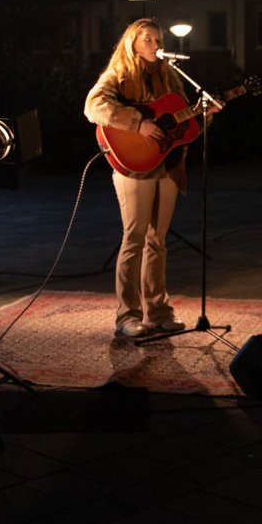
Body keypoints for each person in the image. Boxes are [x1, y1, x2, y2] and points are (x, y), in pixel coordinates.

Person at [84, 18, 191, 338]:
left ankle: (157, 311)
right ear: (132, 42)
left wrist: (204, 114)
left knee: (158, 241)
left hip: (169, 164)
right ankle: (127, 315)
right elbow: (94, 106)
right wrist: (137, 123)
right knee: (135, 238)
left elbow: (181, 120)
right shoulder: (118, 74)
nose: (155, 44)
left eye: (158, 39)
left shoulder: (171, 75)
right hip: (133, 166)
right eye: (147, 39)